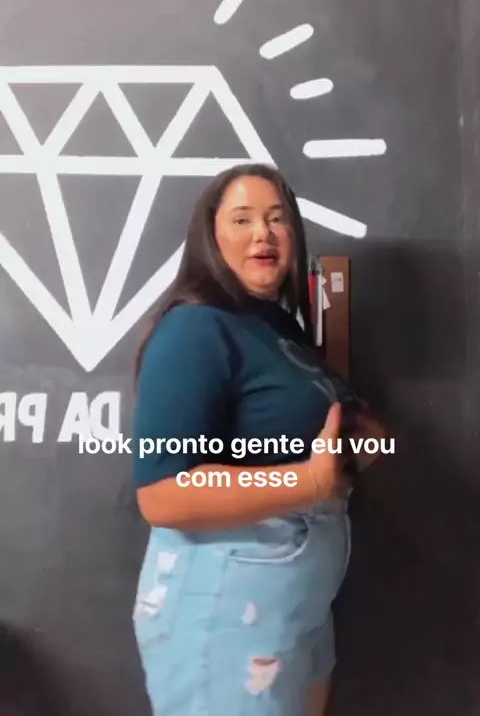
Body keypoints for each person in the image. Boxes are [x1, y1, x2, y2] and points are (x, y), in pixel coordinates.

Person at [131, 162, 383, 716]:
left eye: (276, 218)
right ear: (211, 236)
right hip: (224, 609)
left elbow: (322, 430)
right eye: (242, 219)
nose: (262, 234)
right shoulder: (195, 328)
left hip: (292, 607)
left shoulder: (277, 328)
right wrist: (309, 481)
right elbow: (163, 495)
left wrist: (361, 442)